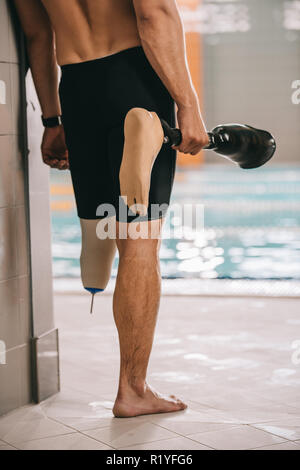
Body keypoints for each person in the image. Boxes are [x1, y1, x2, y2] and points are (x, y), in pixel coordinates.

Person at [14, 0, 209, 417]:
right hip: (136, 82)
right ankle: (133, 389)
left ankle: (133, 386)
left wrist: (52, 120)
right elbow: (154, 12)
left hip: (77, 90)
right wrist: (189, 106)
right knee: (139, 242)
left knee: (106, 231)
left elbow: (37, 36)